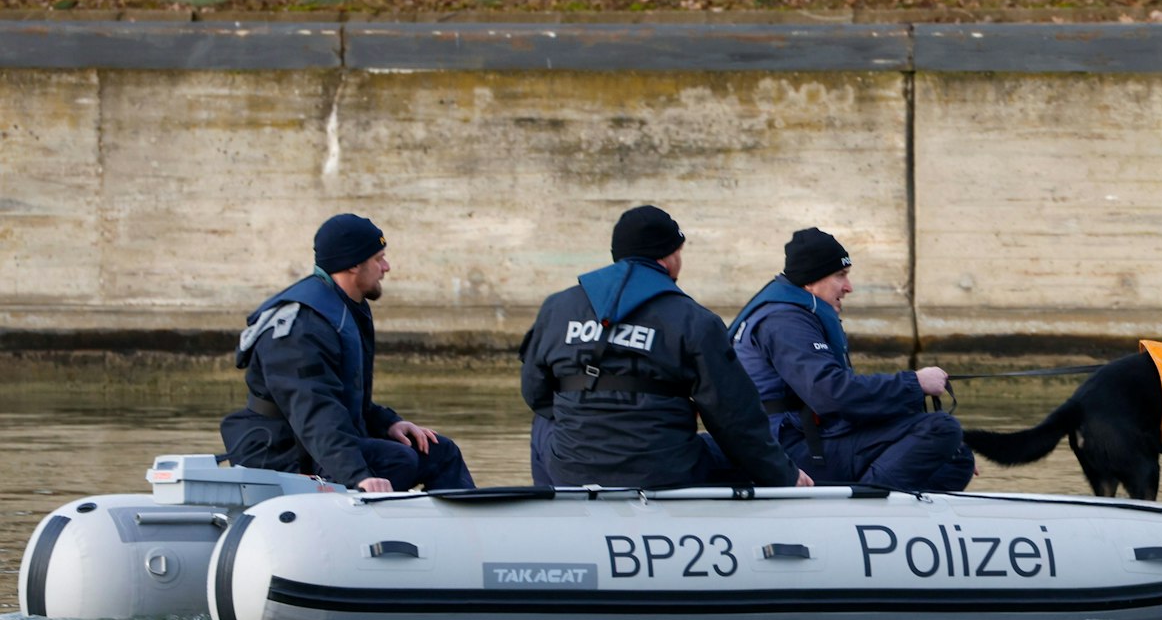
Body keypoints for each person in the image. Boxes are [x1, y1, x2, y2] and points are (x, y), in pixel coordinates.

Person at [519, 205, 811, 490]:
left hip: (572, 468)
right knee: (734, 451)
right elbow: (734, 419)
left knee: (544, 426)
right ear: (667, 257)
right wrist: (784, 475)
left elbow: (535, 392)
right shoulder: (695, 320)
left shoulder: (556, 307)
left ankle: (553, 505)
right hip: (662, 472)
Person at [221, 213, 474, 494]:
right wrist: (358, 476)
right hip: (283, 451)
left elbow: (345, 397)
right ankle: (370, 515)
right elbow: (314, 413)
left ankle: (464, 516)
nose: (386, 267)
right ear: (353, 265)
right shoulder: (301, 328)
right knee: (398, 459)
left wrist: (390, 424)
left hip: (324, 441)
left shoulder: (345, 308)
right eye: (378, 259)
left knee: (440, 452)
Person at [730, 227, 975, 492]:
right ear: (810, 281)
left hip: (805, 439)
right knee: (942, 429)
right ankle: (864, 506)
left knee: (957, 456)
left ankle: (885, 503)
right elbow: (831, 394)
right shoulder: (785, 322)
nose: (849, 287)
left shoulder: (791, 314)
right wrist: (914, 383)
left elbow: (838, 400)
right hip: (787, 449)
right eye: (840, 275)